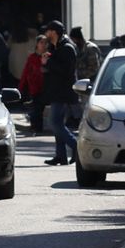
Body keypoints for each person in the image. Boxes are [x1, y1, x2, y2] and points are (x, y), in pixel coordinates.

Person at [40, 21, 78, 165]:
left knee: (54, 122)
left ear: (54, 32)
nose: (46, 34)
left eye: (48, 31)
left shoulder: (67, 48)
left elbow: (67, 71)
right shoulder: (55, 47)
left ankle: (76, 146)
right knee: (58, 123)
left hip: (63, 92)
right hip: (55, 91)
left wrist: (47, 63)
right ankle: (60, 156)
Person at [69, 26, 101, 125]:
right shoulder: (78, 48)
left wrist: (80, 75)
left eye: (73, 39)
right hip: (81, 82)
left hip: (91, 82)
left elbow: (94, 68)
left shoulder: (90, 48)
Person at [18, 35, 47, 135]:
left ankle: (37, 128)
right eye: (41, 42)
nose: (43, 45)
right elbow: (26, 72)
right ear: (37, 44)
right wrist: (21, 87)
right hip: (34, 87)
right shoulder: (32, 57)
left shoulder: (48, 56)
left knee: (39, 108)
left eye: (45, 43)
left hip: (46, 87)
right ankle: (36, 128)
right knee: (36, 108)